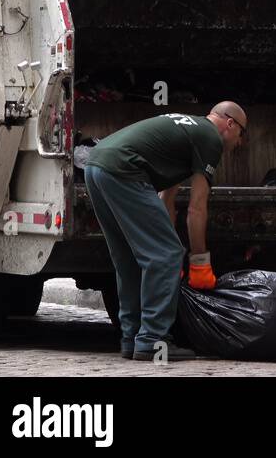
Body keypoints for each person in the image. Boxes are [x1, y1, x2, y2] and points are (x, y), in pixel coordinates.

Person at [84, 103, 247, 361]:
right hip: (123, 169)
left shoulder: (187, 130)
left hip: (96, 165)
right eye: (242, 134)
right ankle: (153, 340)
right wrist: (200, 261)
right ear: (230, 124)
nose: (239, 143)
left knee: (129, 258)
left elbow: (166, 201)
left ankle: (132, 337)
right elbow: (196, 209)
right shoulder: (210, 138)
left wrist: (162, 242)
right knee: (166, 255)